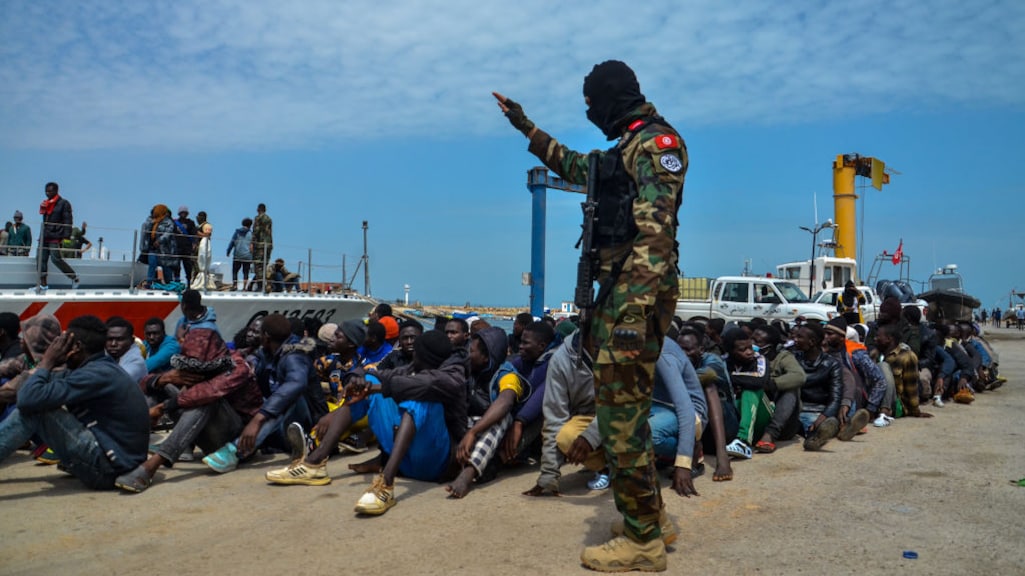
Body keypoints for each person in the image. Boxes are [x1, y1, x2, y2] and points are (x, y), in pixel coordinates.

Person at [496, 60, 687, 570]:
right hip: (619, 292)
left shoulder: (656, 144)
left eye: (591, 103)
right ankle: (652, 518)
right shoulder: (626, 147)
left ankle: (643, 542)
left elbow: (656, 235)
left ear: (611, 97)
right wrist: (526, 127)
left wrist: (632, 313)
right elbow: (578, 167)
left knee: (621, 420)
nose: (589, 112)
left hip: (634, 295)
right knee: (624, 415)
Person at [0, 315, 149, 489]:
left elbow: (27, 400)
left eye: (65, 343)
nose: (59, 348)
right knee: (38, 401)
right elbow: (25, 388)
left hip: (108, 469)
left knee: (35, 410)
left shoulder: (95, 374)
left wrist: (47, 361)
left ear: (76, 347)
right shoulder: (96, 368)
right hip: (114, 462)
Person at [114, 324, 263, 492]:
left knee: (203, 399)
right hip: (209, 433)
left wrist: (161, 409)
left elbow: (205, 393)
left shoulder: (238, 367)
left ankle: (153, 464)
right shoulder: (194, 361)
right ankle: (128, 448)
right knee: (164, 385)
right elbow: (144, 383)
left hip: (238, 439)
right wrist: (163, 379)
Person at [201, 314, 317, 473]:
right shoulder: (268, 353)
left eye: (260, 333)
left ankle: (235, 450)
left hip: (307, 424)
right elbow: (252, 361)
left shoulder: (295, 356)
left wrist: (259, 418)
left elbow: (295, 384)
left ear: (266, 336)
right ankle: (235, 439)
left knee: (290, 397)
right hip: (277, 425)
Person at [446, 326, 528, 498]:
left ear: (486, 357)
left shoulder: (507, 375)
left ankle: (469, 472)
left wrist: (473, 432)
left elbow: (505, 402)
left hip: (499, 434)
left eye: (471, 351)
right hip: (471, 425)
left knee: (502, 416)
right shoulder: (468, 370)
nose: (467, 354)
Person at [792, 322, 843, 450]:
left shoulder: (832, 364)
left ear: (812, 342)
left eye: (799, 337)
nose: (795, 339)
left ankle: (816, 437)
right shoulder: (793, 358)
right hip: (797, 408)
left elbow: (836, 397)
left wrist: (824, 416)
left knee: (815, 424)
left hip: (819, 411)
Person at [877, 323, 933, 420]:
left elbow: (911, 387)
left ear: (889, 339)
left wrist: (915, 411)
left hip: (896, 405)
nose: (875, 339)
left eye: (878, 336)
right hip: (877, 399)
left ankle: (884, 411)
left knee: (883, 366)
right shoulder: (879, 354)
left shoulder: (907, 356)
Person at [36, 182, 79, 290]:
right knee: (40, 258)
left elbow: (68, 220)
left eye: (50, 191)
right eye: (46, 191)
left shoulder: (64, 203)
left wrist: (66, 236)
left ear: (56, 191)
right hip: (45, 235)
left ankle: (74, 277)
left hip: (55, 235)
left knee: (56, 259)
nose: (47, 193)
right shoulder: (45, 204)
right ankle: (43, 284)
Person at [140, 204, 180, 286]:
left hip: (164, 249)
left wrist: (160, 240)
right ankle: (149, 282)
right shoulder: (149, 221)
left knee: (166, 266)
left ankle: (169, 282)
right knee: (152, 263)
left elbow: (168, 233)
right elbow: (145, 233)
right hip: (152, 248)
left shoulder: (168, 222)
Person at [105, 316, 148, 383]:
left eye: (119, 339)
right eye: (109, 339)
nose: (113, 344)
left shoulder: (136, 361)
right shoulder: (109, 356)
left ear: (132, 341)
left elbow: (117, 383)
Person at [191, 211, 217, 290]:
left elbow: (207, 235)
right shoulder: (198, 226)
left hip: (202, 248)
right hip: (196, 248)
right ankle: (194, 280)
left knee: (200, 265)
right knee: (194, 265)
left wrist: (197, 233)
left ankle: (201, 282)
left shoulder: (206, 225)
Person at [251, 203, 273, 291]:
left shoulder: (258, 218)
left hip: (260, 245)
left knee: (258, 265)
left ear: (258, 209)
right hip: (269, 244)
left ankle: (261, 285)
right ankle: (266, 283)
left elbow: (256, 231)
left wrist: (252, 243)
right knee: (265, 264)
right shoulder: (269, 219)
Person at [226, 218, 253, 291]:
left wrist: (228, 251)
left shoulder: (237, 232)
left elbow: (232, 242)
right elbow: (252, 246)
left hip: (237, 255)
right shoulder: (251, 234)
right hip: (247, 256)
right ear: (250, 225)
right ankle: (244, 287)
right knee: (246, 272)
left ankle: (235, 285)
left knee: (235, 271)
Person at [173, 206, 198, 283]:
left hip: (187, 248)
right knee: (176, 266)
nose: (183, 214)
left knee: (188, 266)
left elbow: (194, 234)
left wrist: (195, 243)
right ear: (179, 213)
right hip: (177, 247)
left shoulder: (191, 223)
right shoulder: (175, 223)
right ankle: (177, 282)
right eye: (182, 212)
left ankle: (189, 283)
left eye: (185, 212)